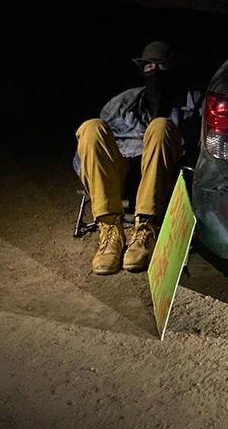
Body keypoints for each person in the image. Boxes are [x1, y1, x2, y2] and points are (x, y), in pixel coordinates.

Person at [73, 40, 205, 275]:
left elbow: (198, 150)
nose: (153, 72)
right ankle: (110, 230)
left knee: (160, 125)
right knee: (91, 127)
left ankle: (145, 228)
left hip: (162, 175)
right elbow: (89, 154)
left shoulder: (193, 101)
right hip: (121, 173)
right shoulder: (124, 102)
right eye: (148, 67)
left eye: (160, 66)